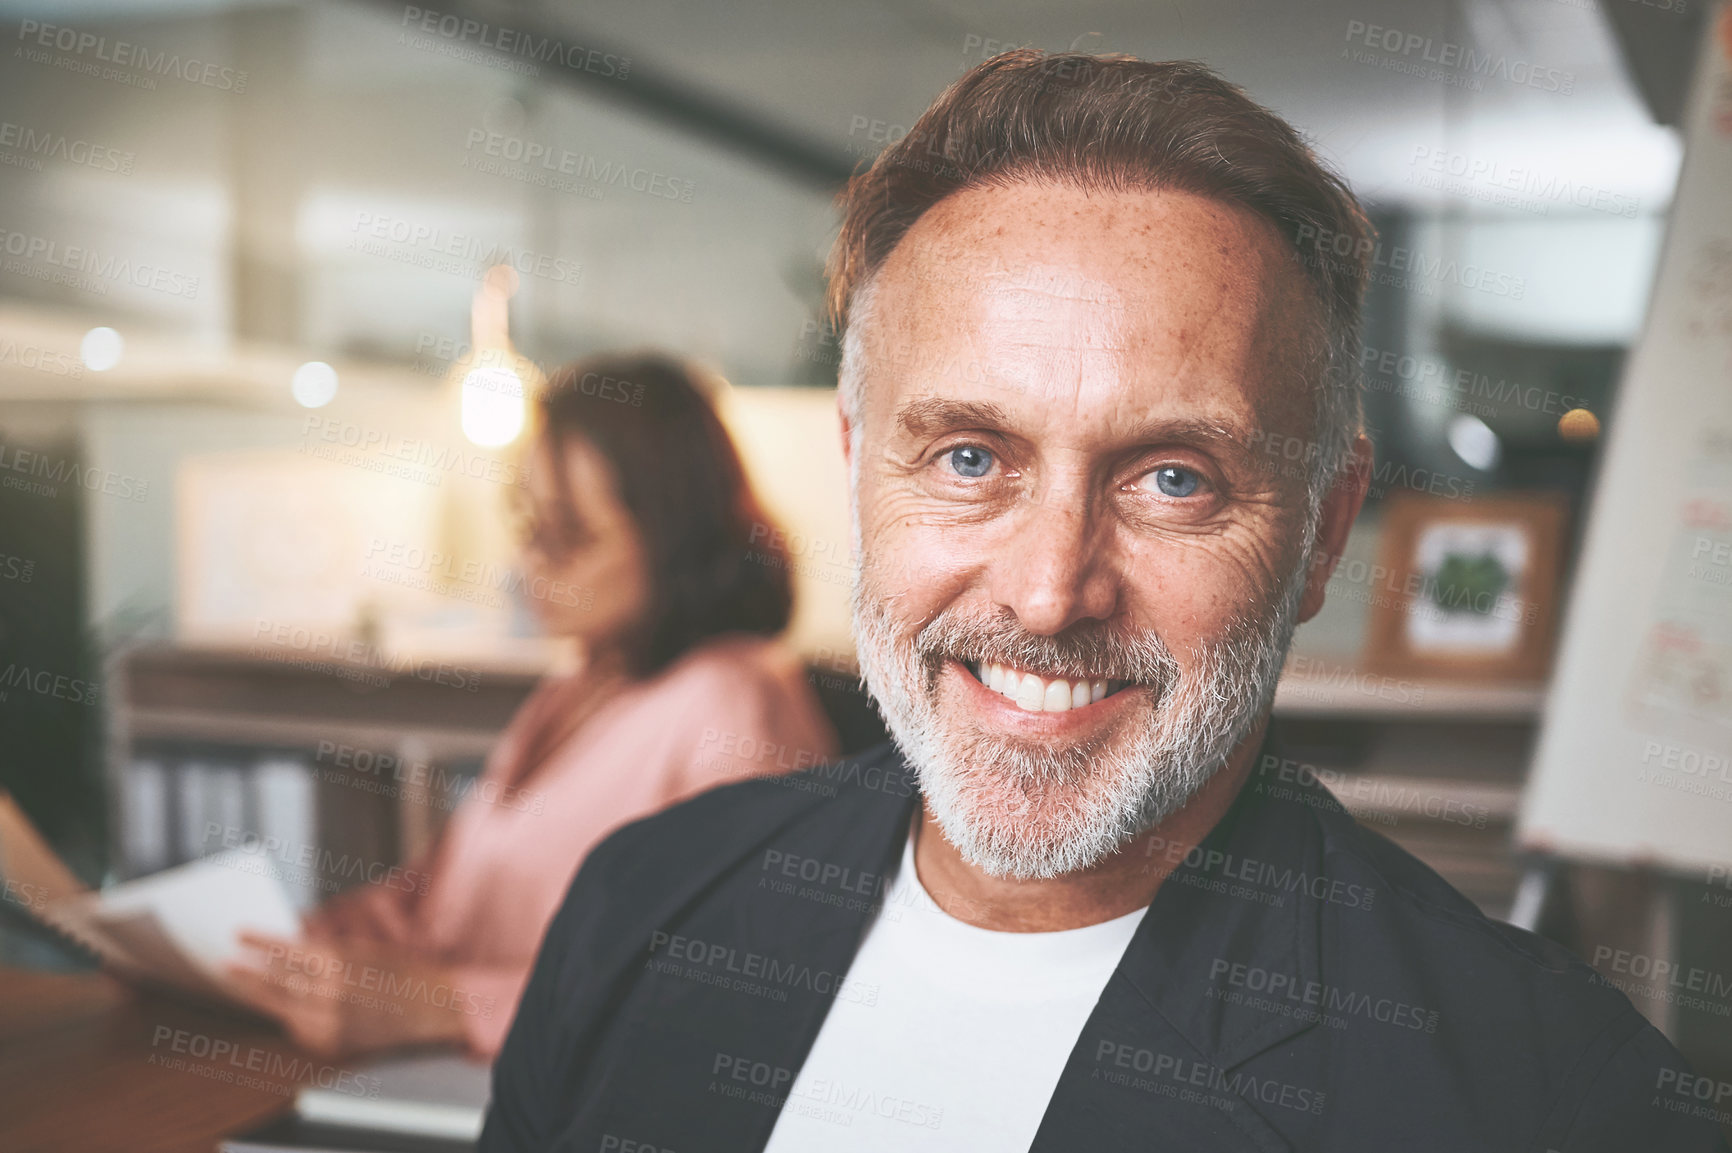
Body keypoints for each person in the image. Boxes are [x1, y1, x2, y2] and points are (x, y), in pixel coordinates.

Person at [480, 53, 1729, 1153]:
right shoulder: (642, 898)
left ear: (1323, 529)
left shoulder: (1554, 1104)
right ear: (859, 467)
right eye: (969, 457)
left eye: (1173, 478)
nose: (1047, 590)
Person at [227, 353, 839, 1058]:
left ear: (675, 535)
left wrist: (446, 1002)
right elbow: (436, 903)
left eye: (569, 534)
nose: (530, 562)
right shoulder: (579, 684)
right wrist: (290, 950)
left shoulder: (731, 702)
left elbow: (727, 983)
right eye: (529, 524)